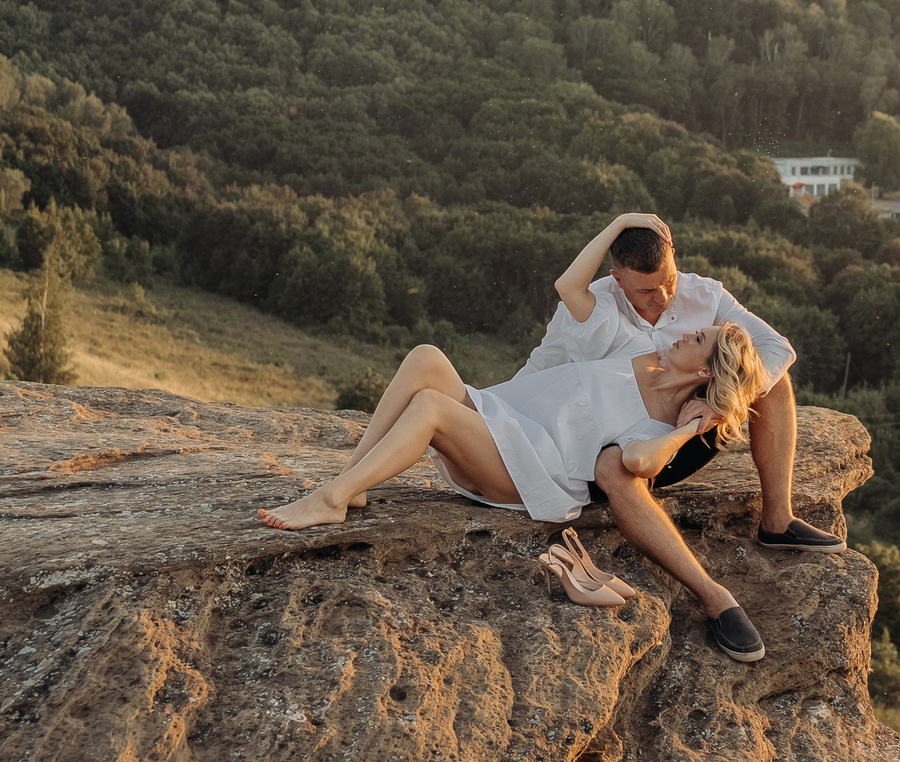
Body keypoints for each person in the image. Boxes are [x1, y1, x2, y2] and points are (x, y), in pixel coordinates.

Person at [254, 218, 777, 661]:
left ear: (707, 373)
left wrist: (691, 427)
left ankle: (332, 498)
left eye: (699, 338)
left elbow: (638, 462)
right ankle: (355, 479)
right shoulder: (634, 343)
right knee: (426, 357)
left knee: (432, 408)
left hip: (524, 468)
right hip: (504, 423)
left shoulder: (664, 421)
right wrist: (620, 227)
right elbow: (569, 287)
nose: (685, 329)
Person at [521, 211, 841, 556]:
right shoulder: (590, 304)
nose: (661, 297)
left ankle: (777, 522)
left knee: (772, 382)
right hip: (617, 449)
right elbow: (541, 368)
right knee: (615, 465)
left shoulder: (705, 294)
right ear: (618, 279)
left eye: (668, 282)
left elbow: (777, 347)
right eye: (646, 290)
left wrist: (719, 404)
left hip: (685, 434)